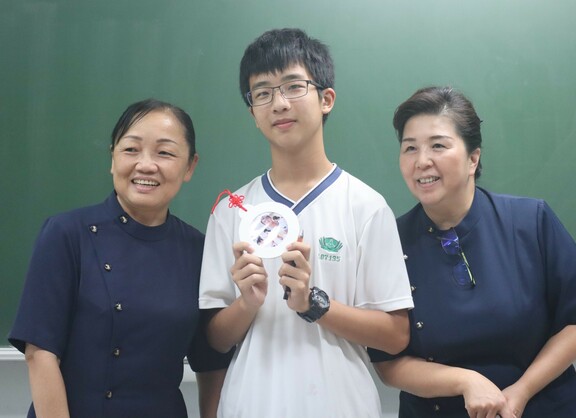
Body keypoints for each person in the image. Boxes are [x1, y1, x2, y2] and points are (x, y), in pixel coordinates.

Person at [198, 28, 414, 418]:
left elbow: (396, 336)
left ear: (326, 99)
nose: (279, 104)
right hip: (250, 406)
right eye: (262, 93)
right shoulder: (231, 210)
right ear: (253, 113)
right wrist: (247, 303)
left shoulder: (365, 206)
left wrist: (314, 304)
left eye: (294, 86)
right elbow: (215, 339)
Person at [368, 86, 576, 418]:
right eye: (410, 148)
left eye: (438, 145)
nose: (422, 161)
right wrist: (466, 381)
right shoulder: (390, 241)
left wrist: (520, 392)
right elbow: (389, 362)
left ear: (473, 158)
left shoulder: (530, 221)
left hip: (542, 406)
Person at [9, 99, 232, 418]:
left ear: (189, 167)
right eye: (131, 149)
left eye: (164, 153)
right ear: (113, 158)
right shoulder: (66, 234)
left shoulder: (199, 249)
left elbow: (211, 364)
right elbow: (40, 352)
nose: (146, 165)